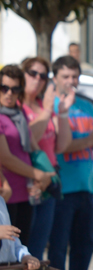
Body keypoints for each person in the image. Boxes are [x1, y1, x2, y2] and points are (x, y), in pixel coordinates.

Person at [48, 55, 93, 270]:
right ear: (55, 78)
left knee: (84, 247)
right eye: (66, 77)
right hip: (62, 187)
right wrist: (92, 136)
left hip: (85, 186)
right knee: (59, 247)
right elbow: (63, 146)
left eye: (75, 76)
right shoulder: (52, 107)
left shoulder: (86, 106)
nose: (71, 82)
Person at [21, 57, 70, 258]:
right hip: (28, 183)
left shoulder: (43, 104)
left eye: (43, 76)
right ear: (23, 75)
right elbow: (28, 139)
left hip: (48, 184)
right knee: (25, 249)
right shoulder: (17, 107)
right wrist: (48, 111)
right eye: (33, 73)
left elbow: (62, 145)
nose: (38, 79)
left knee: (39, 248)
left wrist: (63, 113)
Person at [0, 65, 51, 247]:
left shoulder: (19, 114)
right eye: (4, 88)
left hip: (25, 193)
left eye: (15, 89)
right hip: (7, 194)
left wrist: (39, 178)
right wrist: (37, 174)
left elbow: (29, 150)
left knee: (24, 251)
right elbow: (4, 157)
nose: (9, 93)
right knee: (8, 255)